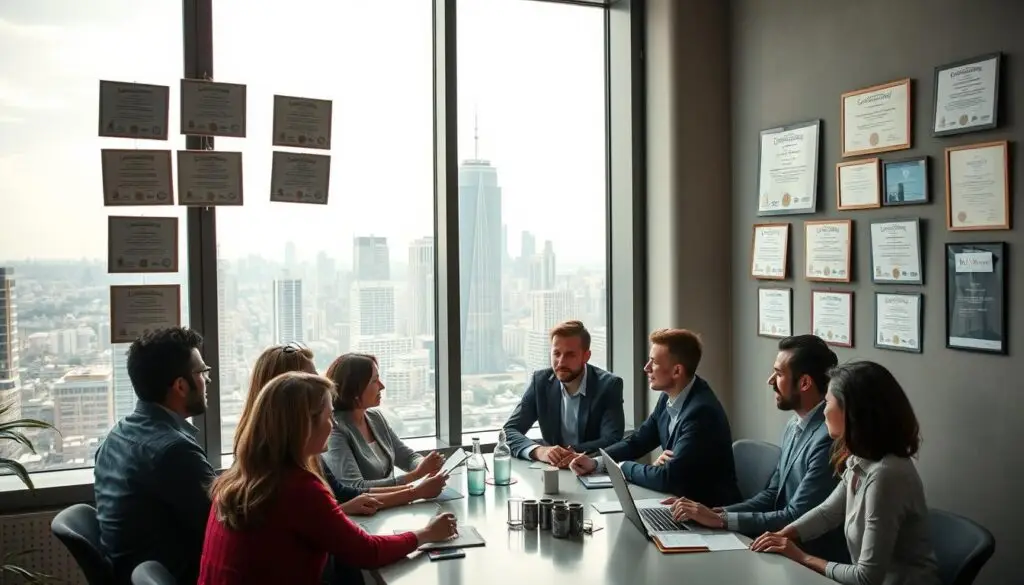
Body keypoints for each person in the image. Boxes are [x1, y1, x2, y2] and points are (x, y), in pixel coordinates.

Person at [198, 372, 457, 585]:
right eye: (328, 415)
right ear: (304, 425)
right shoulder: (297, 488)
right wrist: (426, 533)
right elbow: (368, 552)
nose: (333, 424)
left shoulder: (238, 478)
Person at [751, 361, 940, 585]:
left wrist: (800, 557)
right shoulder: (861, 459)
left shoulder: (886, 475)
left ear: (851, 412)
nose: (823, 410)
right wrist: (784, 535)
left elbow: (866, 577)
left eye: (828, 403)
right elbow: (828, 512)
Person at [663, 335, 848, 562]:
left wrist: (721, 520)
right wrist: (714, 513)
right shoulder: (794, 425)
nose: (770, 380)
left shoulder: (827, 438)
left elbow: (796, 516)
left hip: (808, 557)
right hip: (777, 547)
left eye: (779, 374)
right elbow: (772, 495)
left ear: (805, 383)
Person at [240, 343, 446, 513]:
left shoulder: (304, 456)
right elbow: (342, 505)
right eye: (311, 379)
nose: (321, 384)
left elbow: (343, 497)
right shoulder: (290, 474)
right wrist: (415, 485)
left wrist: (417, 484)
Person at [94, 327, 215, 585]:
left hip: (135, 574)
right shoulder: (175, 452)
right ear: (181, 386)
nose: (207, 380)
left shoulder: (116, 435)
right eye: (202, 372)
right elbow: (223, 526)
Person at [570, 328, 740, 505]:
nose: (646, 368)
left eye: (654, 362)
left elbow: (668, 478)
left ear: (676, 371)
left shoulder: (701, 413)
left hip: (709, 515)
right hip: (677, 503)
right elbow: (639, 441)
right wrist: (596, 463)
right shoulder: (669, 395)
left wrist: (622, 467)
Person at [503, 320, 625, 468]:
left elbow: (612, 439)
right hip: (551, 470)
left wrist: (569, 452)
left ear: (586, 356)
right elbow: (508, 431)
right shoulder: (540, 382)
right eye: (556, 353)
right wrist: (540, 451)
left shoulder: (608, 386)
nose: (561, 362)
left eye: (570, 355)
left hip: (592, 470)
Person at [323, 353, 446, 489]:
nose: (382, 386)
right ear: (355, 389)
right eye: (374, 381)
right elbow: (355, 486)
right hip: (366, 509)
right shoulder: (335, 430)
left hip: (394, 503)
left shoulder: (375, 417)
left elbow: (407, 457)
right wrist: (415, 475)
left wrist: (426, 464)